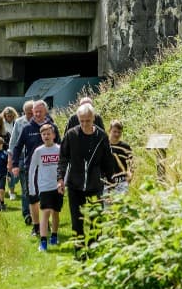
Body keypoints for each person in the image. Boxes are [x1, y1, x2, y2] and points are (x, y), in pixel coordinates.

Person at [57, 104, 116, 242]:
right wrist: (60, 178)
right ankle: (80, 254)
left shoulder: (101, 136)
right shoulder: (71, 135)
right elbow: (63, 158)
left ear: (93, 118)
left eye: (87, 120)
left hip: (95, 184)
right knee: (77, 222)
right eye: (81, 120)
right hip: (75, 185)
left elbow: (107, 161)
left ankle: (94, 249)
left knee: (96, 220)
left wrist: (111, 182)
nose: (84, 124)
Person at [12, 100, 59, 237]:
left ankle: (46, 223)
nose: (37, 114)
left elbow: (60, 147)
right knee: (32, 197)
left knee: (48, 197)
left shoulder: (52, 127)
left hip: (49, 168)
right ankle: (36, 225)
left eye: (40, 111)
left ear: (45, 111)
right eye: (35, 111)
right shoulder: (27, 128)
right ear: (32, 112)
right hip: (31, 168)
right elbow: (17, 147)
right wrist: (15, 164)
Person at [29, 124, 62, 251]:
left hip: (58, 186)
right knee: (46, 212)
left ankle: (54, 235)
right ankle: (43, 241)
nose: (46, 136)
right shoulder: (39, 151)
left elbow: (66, 166)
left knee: (55, 212)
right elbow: (32, 170)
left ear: (53, 135)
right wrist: (32, 187)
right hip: (44, 187)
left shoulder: (59, 149)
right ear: (41, 137)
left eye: (49, 134)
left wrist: (64, 181)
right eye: (44, 134)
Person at [8, 101, 33, 208]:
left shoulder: (41, 122)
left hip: (35, 156)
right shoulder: (19, 122)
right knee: (25, 186)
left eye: (31, 113)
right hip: (22, 156)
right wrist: (11, 159)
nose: (30, 115)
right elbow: (13, 142)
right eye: (27, 113)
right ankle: (26, 212)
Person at [105, 120, 133, 199]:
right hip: (106, 183)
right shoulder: (103, 145)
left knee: (121, 209)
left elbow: (132, 164)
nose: (117, 134)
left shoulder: (125, 147)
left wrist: (130, 176)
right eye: (114, 131)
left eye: (119, 132)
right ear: (109, 131)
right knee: (108, 209)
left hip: (122, 182)